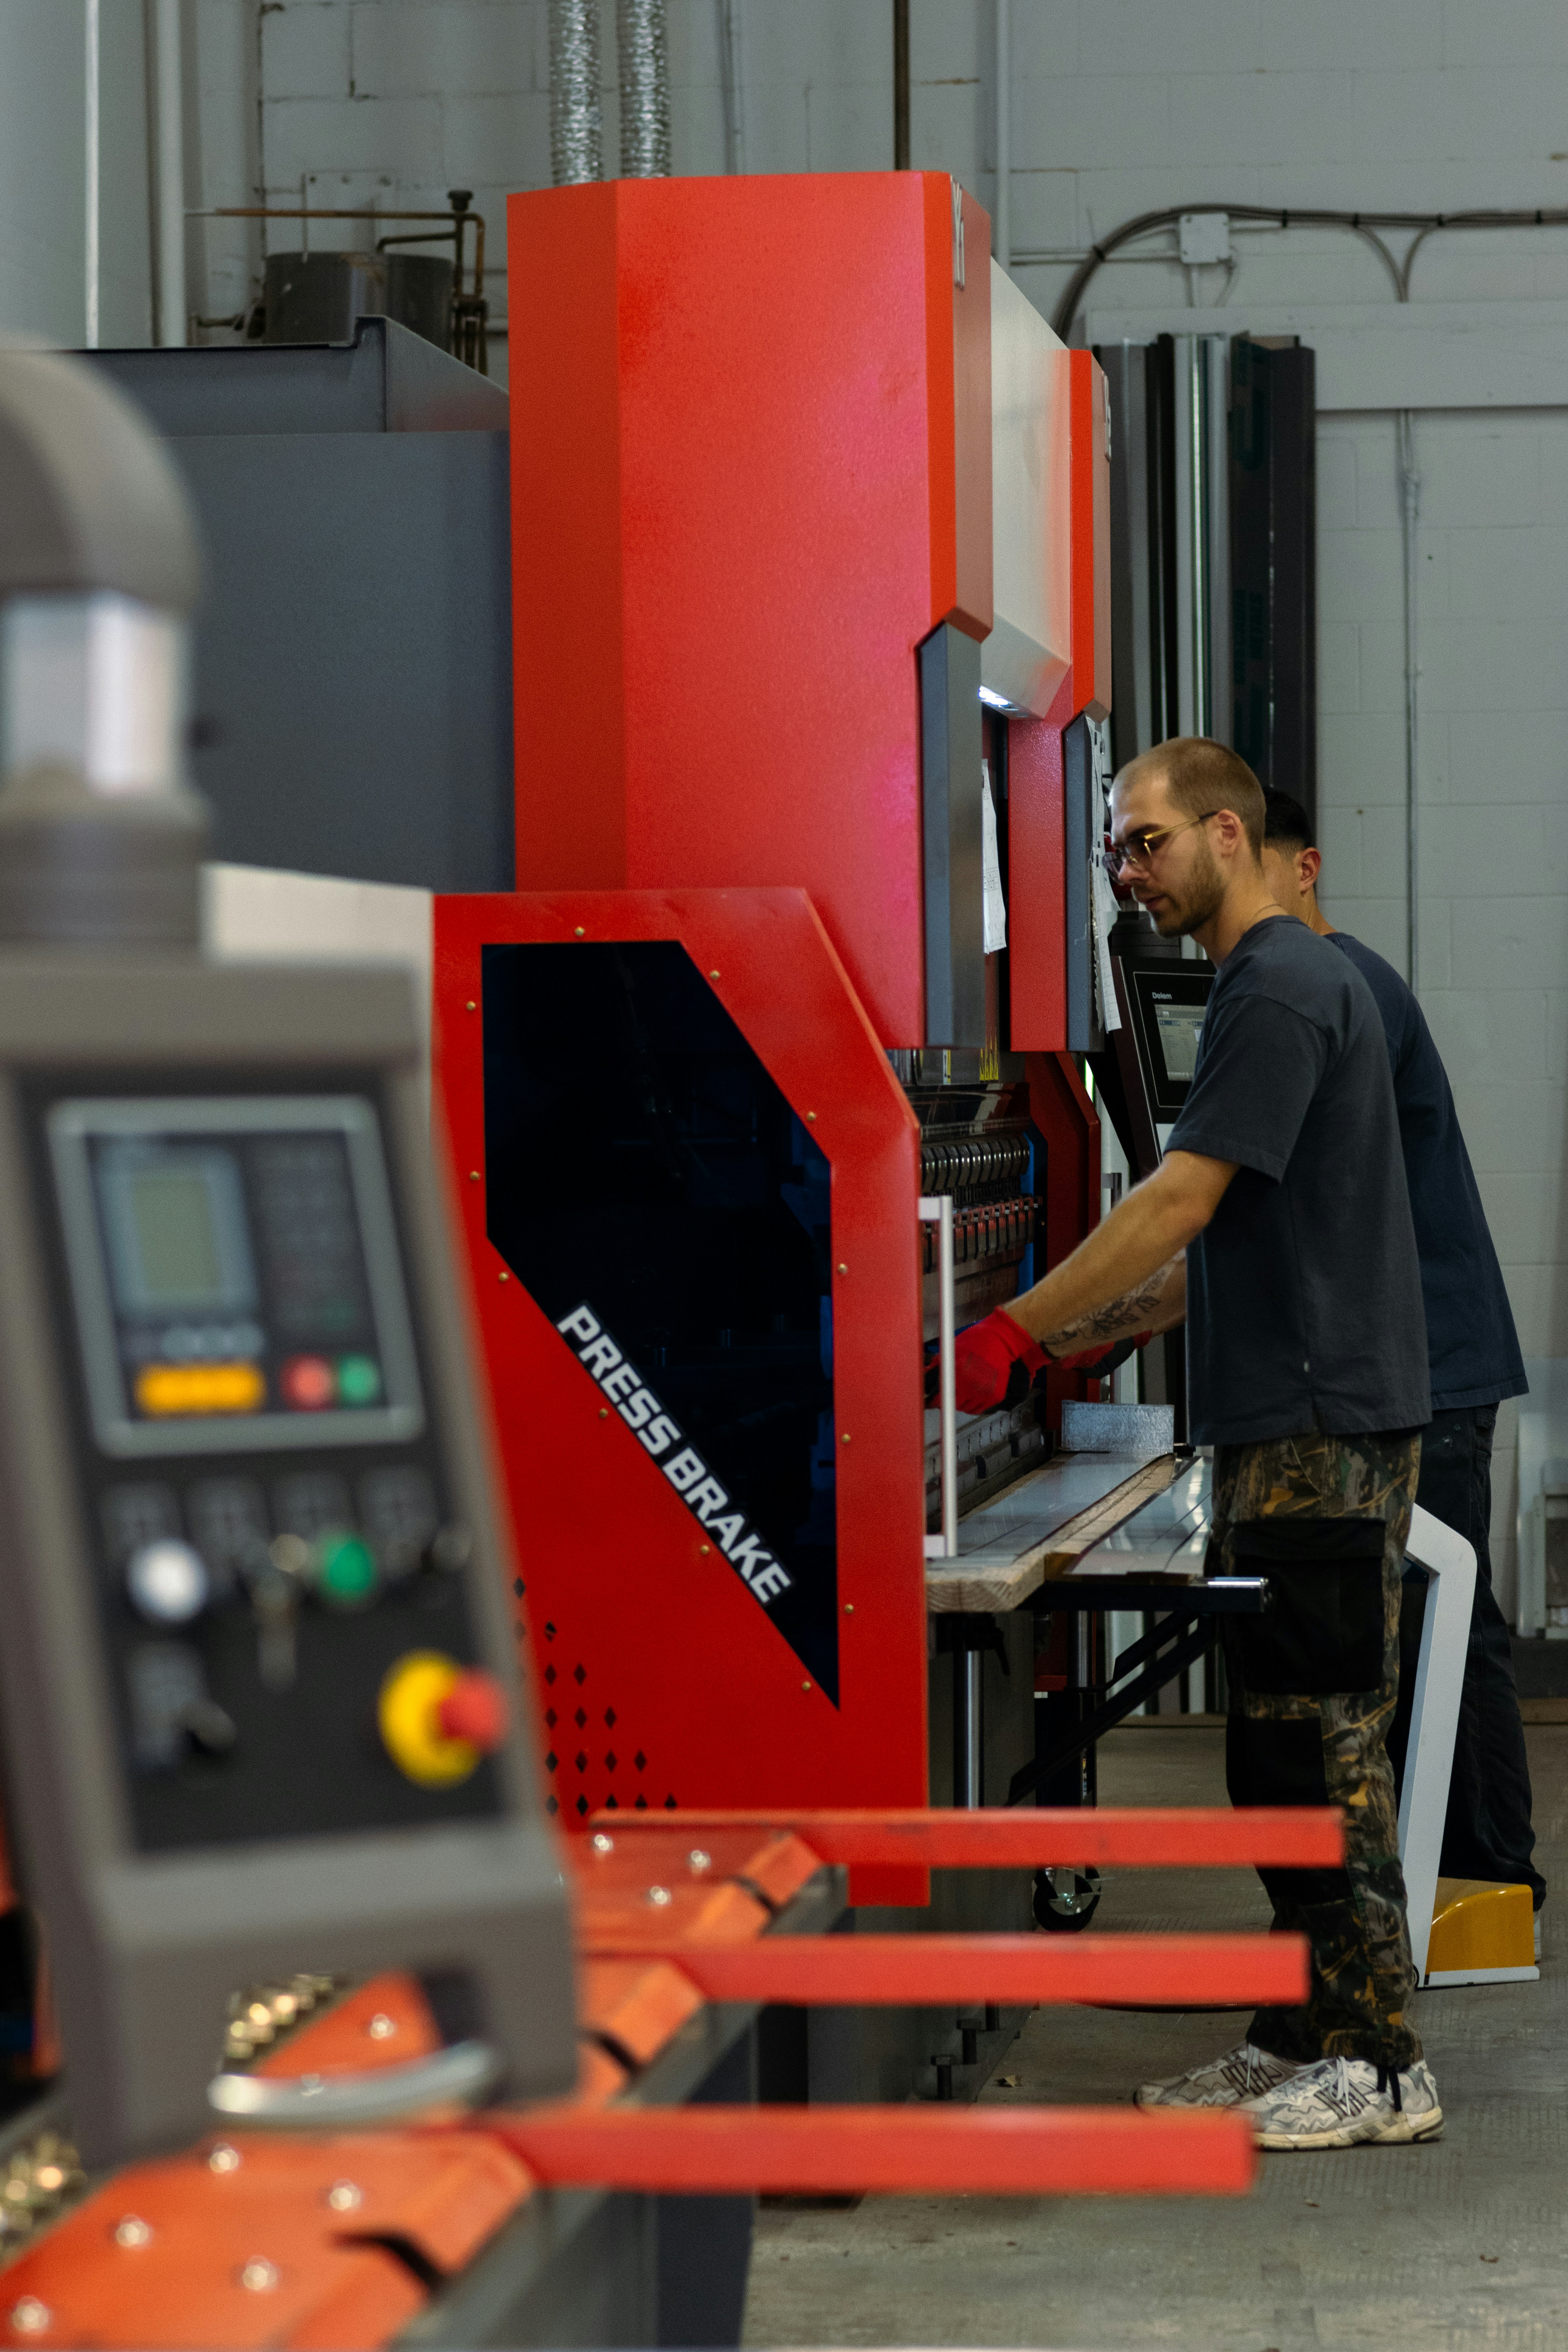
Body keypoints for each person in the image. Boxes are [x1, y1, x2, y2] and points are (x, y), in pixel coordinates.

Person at [951, 737, 1441, 2152]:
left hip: (1318, 1426)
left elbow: (1177, 1198)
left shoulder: (1280, 984)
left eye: (1144, 842)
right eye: (1113, 849)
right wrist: (1106, 1330)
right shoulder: (1271, 984)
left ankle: (1382, 2063)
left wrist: (1016, 1337)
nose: (1126, 872)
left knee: (1322, 1750)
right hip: (1283, 1418)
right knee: (1272, 1754)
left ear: (1228, 836)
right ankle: (1298, 2034)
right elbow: (1223, 1242)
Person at [1259, 789, 1543, 1913]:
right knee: (1443, 1625)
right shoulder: (1335, 982)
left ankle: (1487, 1880)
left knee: (1449, 1627)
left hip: (1433, 1363)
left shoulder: (1345, 989)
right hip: (1415, 1356)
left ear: (1303, 868)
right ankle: (1468, 1874)